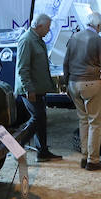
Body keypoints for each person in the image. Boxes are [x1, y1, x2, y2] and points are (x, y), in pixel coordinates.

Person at [63, 11, 101, 170]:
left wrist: (66, 84)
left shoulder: (74, 38)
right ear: (98, 26)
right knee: (95, 123)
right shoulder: (98, 40)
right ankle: (93, 160)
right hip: (92, 84)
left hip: (74, 84)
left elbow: (65, 64)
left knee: (83, 120)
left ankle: (84, 157)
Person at [14, 13, 62, 161]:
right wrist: (29, 88)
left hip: (38, 88)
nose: (49, 31)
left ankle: (42, 152)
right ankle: (16, 146)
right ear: (39, 26)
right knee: (37, 117)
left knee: (41, 119)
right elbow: (23, 68)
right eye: (47, 28)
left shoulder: (37, 39)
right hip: (30, 89)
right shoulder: (27, 41)